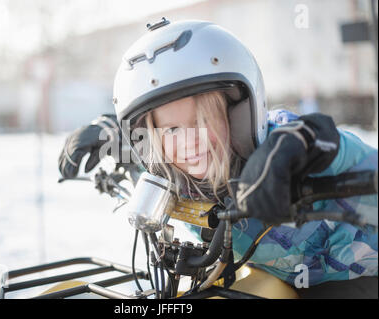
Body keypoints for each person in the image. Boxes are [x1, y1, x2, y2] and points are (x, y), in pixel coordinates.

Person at [58, 19, 378, 298]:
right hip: (273, 279)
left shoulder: (275, 150)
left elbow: (357, 162)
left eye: (201, 122)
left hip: (359, 274)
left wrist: (307, 144)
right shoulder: (170, 171)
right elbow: (142, 146)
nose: (187, 143)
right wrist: (111, 131)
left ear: (238, 118)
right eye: (170, 129)